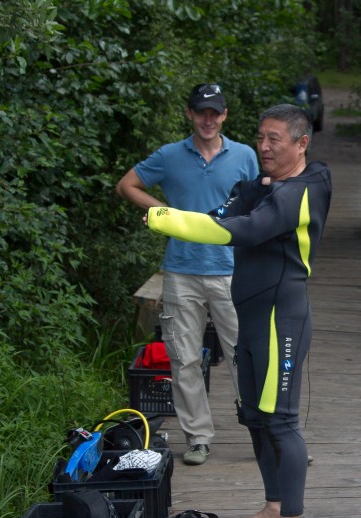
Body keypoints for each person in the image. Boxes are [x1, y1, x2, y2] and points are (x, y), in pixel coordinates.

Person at [144, 103, 331, 518]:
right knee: (254, 415)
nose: (263, 147)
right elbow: (231, 204)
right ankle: (272, 507)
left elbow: (243, 228)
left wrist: (162, 217)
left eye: (275, 140)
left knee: (281, 420)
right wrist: (251, 192)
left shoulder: (304, 189)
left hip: (280, 318)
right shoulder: (267, 183)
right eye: (261, 137)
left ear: (301, 143)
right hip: (248, 314)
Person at [116, 83, 259, 466]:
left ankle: (267, 435)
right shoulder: (170, 155)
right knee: (184, 358)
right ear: (190, 114)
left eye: (215, 112)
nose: (208, 119)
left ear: (225, 115)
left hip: (232, 270)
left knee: (244, 354)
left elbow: (265, 199)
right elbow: (126, 184)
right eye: (201, 112)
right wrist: (163, 213)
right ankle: (198, 437)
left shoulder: (245, 155)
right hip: (181, 271)